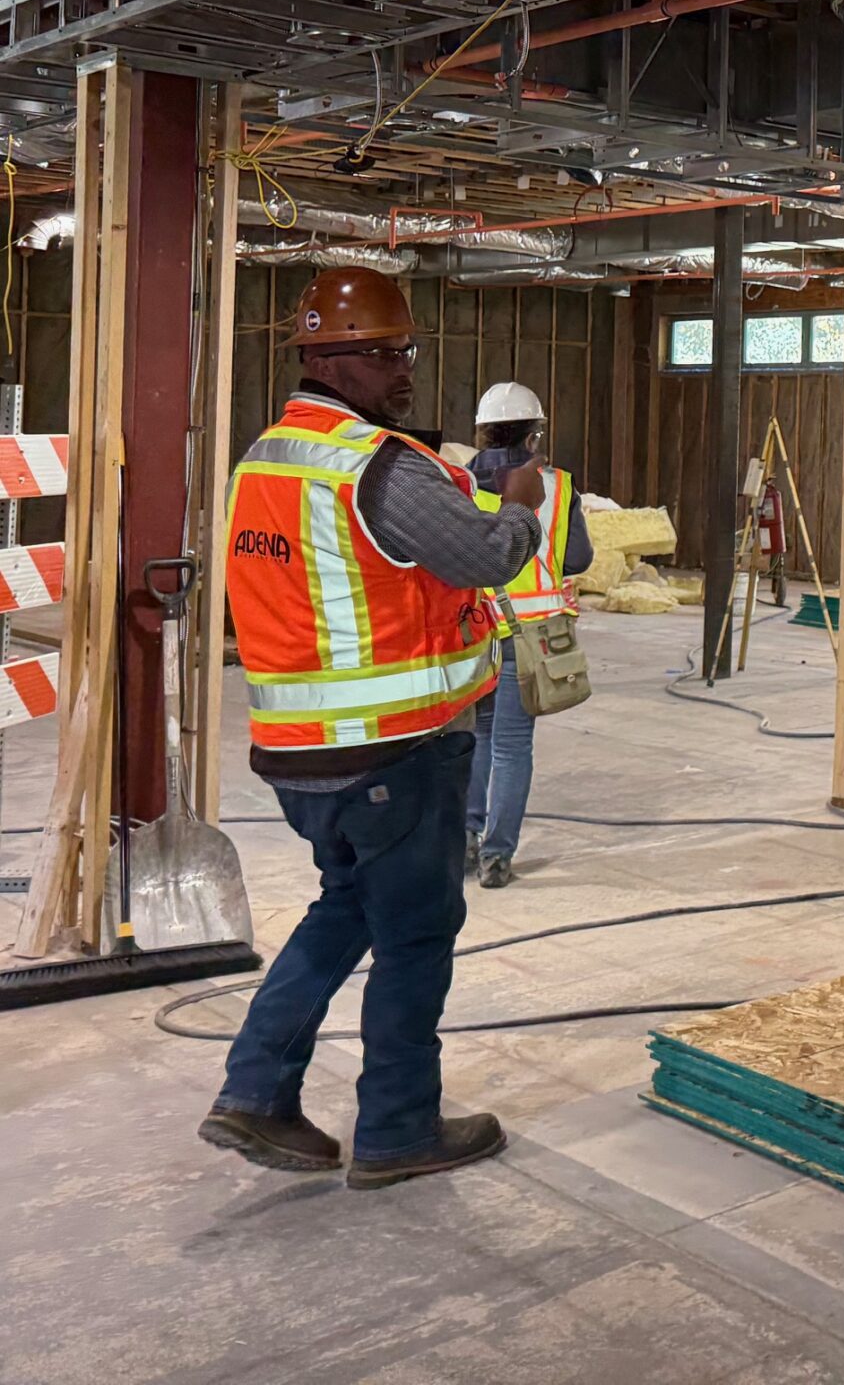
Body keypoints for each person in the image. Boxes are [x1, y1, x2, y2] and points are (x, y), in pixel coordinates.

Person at [202, 266, 546, 1190]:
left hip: (300, 755)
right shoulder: (377, 465)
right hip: (394, 752)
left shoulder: (265, 458)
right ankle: (399, 1128)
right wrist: (522, 505)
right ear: (328, 361)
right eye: (385, 355)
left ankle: (256, 1090)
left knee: (347, 906)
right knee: (416, 937)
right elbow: (485, 556)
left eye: (406, 353)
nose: (403, 371)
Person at [464, 381, 593, 891]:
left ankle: (464, 840)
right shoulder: (557, 487)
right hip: (529, 635)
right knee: (512, 747)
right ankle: (496, 857)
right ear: (534, 434)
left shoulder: (458, 483)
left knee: (477, 737)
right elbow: (578, 558)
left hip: (473, 633)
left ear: (482, 431)